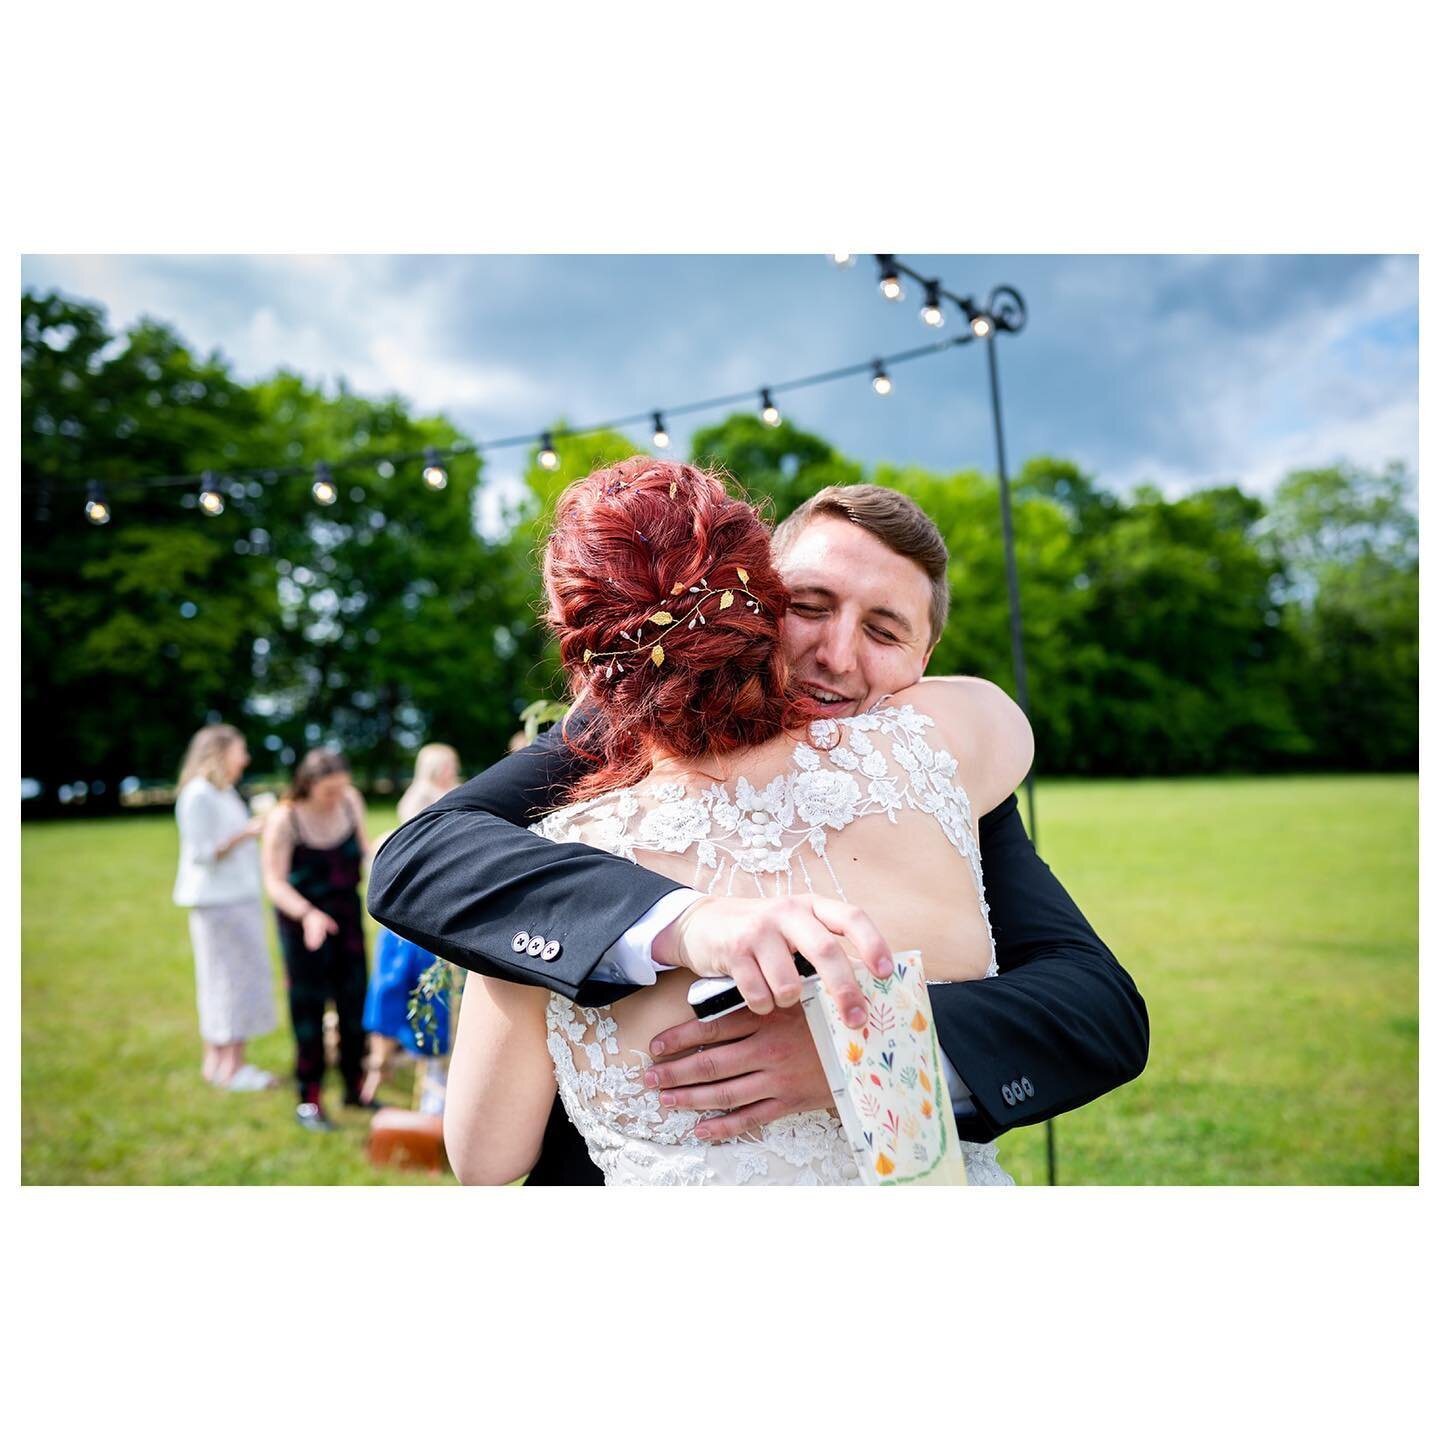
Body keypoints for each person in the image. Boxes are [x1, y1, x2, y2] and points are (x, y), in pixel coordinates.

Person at [369, 471, 1149, 1183]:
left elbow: (1095, 1006)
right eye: (809, 607)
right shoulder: (617, 732)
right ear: (752, 601)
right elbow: (423, 853)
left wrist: (864, 1050)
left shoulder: (934, 773)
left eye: (884, 632)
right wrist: (679, 921)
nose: (836, 656)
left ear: (925, 658)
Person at [261, 748, 373, 1132]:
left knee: (354, 1004)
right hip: (302, 923)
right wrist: (307, 914)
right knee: (308, 1013)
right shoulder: (284, 819)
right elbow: (274, 881)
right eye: (329, 791)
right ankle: (309, 1100)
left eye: (342, 788)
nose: (337, 797)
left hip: (347, 916)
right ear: (308, 785)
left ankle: (355, 1088)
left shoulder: (350, 802)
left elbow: (365, 851)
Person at [172, 724, 278, 1092]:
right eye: (240, 750)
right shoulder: (199, 795)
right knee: (232, 980)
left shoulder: (222, 792)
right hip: (221, 901)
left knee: (223, 979)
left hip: (235, 897)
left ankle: (216, 1064)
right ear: (219, 752)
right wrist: (247, 833)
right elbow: (203, 852)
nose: (245, 758)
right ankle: (233, 1069)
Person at [359, 744, 462, 1103]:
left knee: (424, 992)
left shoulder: (448, 794)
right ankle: (384, 1066)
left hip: (436, 906)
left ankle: (425, 1073)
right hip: (415, 908)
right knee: (396, 987)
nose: (451, 769)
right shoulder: (422, 797)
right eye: (445, 764)